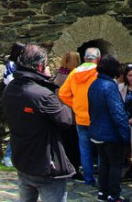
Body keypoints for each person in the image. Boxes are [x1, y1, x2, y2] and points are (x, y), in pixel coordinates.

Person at [2, 44, 75, 202]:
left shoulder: (11, 88)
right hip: (45, 164)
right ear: (40, 66)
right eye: (46, 64)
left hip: (22, 160)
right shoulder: (42, 95)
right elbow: (66, 120)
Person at [88, 55, 131, 202]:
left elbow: (91, 110)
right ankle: (114, 195)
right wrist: (125, 134)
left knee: (104, 164)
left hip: (97, 133)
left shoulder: (94, 85)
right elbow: (117, 113)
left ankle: (102, 194)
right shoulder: (110, 87)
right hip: (111, 135)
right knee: (114, 165)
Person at [58, 47, 101, 186]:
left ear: (84, 59)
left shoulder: (74, 73)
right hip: (97, 117)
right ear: (98, 59)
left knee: (85, 149)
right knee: (101, 150)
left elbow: (63, 94)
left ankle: (88, 179)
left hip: (80, 118)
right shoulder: (99, 73)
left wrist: (75, 105)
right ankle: (103, 178)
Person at [52, 51, 82, 179]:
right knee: (73, 144)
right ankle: (74, 170)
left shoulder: (59, 75)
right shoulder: (71, 77)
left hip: (60, 115)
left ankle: (63, 167)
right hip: (70, 116)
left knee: (64, 143)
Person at [1, 42, 25, 168]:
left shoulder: (20, 65)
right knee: (16, 129)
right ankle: (8, 156)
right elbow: (11, 81)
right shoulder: (11, 65)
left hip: (20, 98)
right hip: (13, 99)